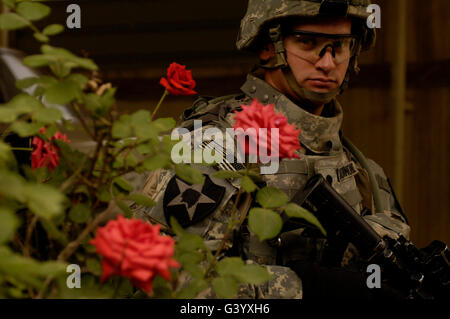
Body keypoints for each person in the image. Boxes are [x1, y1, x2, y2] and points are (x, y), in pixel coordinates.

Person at [132, 0, 411, 299]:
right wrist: (305, 288)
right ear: (269, 47)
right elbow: (171, 282)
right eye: (308, 42)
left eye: (339, 46)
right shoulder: (213, 144)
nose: (327, 62)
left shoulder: (362, 171)